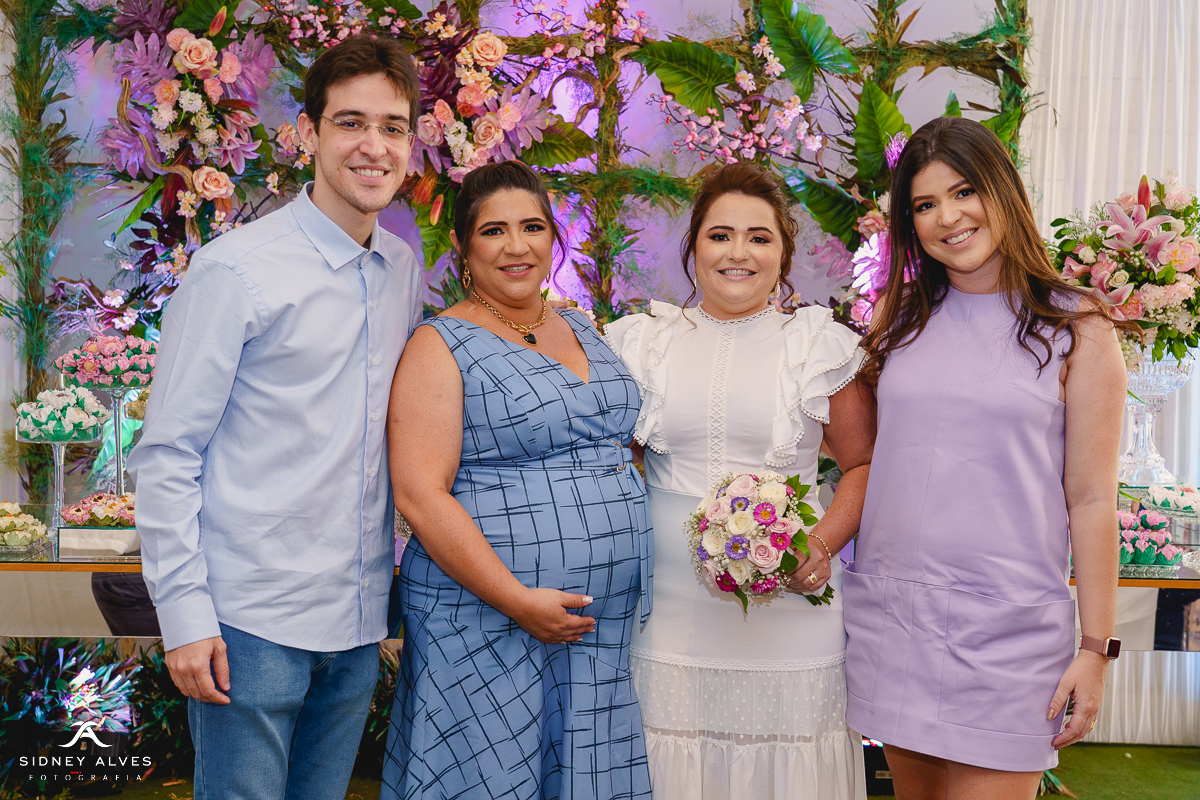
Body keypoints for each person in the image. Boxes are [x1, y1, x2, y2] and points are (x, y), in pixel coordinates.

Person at [127, 34, 424, 799]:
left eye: (392, 127)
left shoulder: (401, 268)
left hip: (357, 621)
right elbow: (167, 453)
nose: (374, 146)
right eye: (351, 122)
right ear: (307, 134)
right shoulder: (235, 271)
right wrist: (185, 615)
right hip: (249, 621)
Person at [843, 117, 1126, 800]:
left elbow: (1093, 501)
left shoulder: (1078, 326)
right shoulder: (896, 321)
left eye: (964, 191)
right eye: (925, 204)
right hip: (898, 622)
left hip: (1010, 637)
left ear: (1003, 191)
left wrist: (1096, 649)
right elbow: (873, 459)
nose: (948, 217)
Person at [381, 160, 654, 799]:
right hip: (485, 614)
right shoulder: (439, 343)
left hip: (596, 627)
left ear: (553, 236)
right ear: (462, 245)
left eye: (532, 227)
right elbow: (420, 493)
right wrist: (514, 598)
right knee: (488, 774)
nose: (516, 246)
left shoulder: (579, 325)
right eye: (493, 230)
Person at [604, 162, 875, 799]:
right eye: (720, 235)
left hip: (792, 611)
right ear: (693, 246)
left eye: (759, 237)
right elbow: (611, 460)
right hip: (668, 613)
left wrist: (821, 545)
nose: (738, 253)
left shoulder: (819, 345)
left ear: (784, 253)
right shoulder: (641, 343)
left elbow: (864, 465)